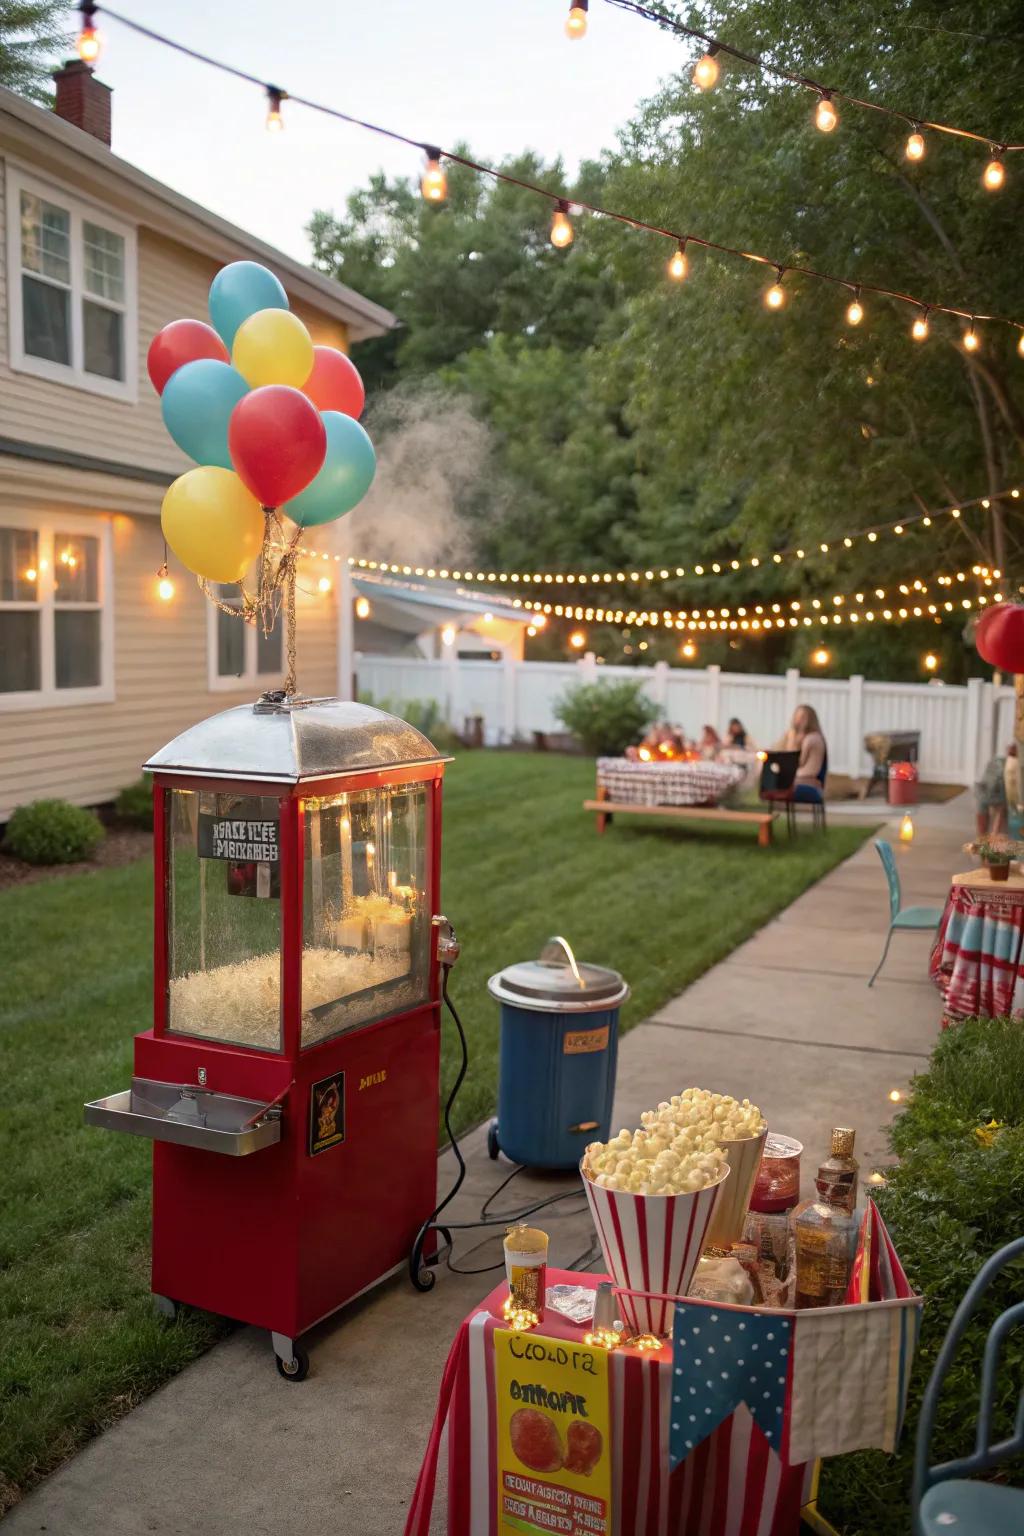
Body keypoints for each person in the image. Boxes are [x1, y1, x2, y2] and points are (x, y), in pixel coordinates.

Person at [779, 704, 827, 802]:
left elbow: (795, 762)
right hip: (802, 779)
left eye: (802, 717)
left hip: (808, 781)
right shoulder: (812, 737)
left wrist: (792, 739)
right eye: (796, 717)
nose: (798, 720)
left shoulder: (811, 739)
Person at [975, 746, 1012, 836]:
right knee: (986, 805)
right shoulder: (998, 763)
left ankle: (989, 835)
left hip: (996, 792)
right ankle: (984, 836)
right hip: (992, 791)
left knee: (998, 807)